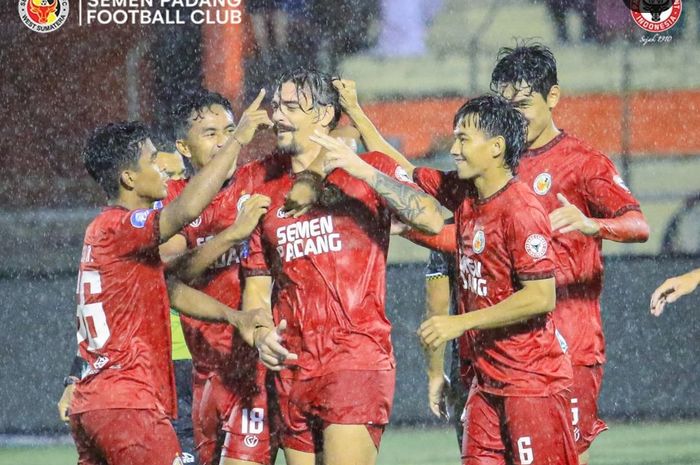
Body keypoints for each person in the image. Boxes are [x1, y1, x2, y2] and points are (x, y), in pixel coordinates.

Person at [242, 67, 444, 465]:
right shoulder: (264, 187)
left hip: (354, 359)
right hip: (294, 366)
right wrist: (262, 332)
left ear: (321, 114)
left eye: (289, 107)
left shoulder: (367, 169)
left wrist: (361, 169)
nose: (277, 116)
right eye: (276, 105)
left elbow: (433, 218)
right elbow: (257, 290)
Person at [69, 120, 274, 465]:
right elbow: (185, 211)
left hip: (97, 403)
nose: (162, 167)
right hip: (128, 402)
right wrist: (237, 139)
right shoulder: (121, 226)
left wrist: (233, 316)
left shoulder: (105, 233)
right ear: (129, 178)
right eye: (152, 160)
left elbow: (172, 291)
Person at [491, 43, 650, 465]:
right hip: (509, 347)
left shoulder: (583, 162)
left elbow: (639, 225)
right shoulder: (497, 164)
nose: (514, 115)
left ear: (553, 98)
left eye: (524, 104)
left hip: (570, 347)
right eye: (506, 105)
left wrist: (591, 224)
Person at [413, 95, 577, 465]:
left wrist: (461, 322)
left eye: (463, 140)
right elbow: (402, 171)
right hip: (485, 383)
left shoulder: (521, 210)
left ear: (497, 147)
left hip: (531, 383)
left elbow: (541, 297)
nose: (453, 149)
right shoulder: (466, 197)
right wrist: (357, 122)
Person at [158, 88, 279, 465]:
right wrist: (231, 234)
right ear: (183, 146)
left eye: (230, 131)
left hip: (256, 370)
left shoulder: (259, 179)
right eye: (210, 134)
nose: (225, 141)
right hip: (204, 373)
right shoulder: (174, 199)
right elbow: (174, 274)